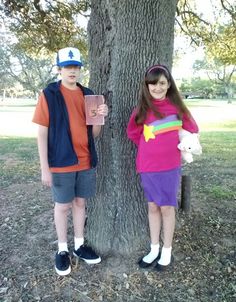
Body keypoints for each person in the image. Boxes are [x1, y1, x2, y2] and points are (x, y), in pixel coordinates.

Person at [32, 47, 108, 276]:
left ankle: (79, 245)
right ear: (60, 69)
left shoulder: (89, 94)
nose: (72, 71)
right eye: (67, 67)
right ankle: (63, 249)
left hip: (85, 160)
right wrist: (45, 168)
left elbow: (93, 135)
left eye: (76, 67)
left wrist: (100, 117)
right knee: (62, 206)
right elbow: (41, 133)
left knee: (80, 204)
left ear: (80, 69)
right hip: (61, 162)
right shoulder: (49, 94)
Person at [126, 64, 199, 271]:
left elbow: (193, 129)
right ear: (147, 86)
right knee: (152, 206)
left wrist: (185, 142)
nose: (157, 88)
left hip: (169, 167)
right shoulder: (142, 109)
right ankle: (154, 248)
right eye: (153, 84)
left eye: (162, 83)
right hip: (148, 166)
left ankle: (167, 250)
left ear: (168, 85)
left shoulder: (178, 108)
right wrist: (150, 146)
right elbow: (132, 132)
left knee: (167, 207)